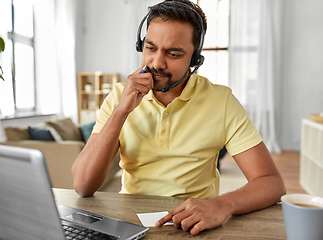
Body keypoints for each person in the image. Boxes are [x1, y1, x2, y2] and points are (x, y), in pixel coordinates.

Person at [72, 0, 286, 235]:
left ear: (195, 59)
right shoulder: (118, 97)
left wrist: (221, 205)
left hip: (194, 225)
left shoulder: (221, 101)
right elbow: (83, 185)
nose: (156, 63)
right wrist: (121, 111)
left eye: (173, 53)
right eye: (150, 48)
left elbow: (271, 183)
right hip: (129, 223)